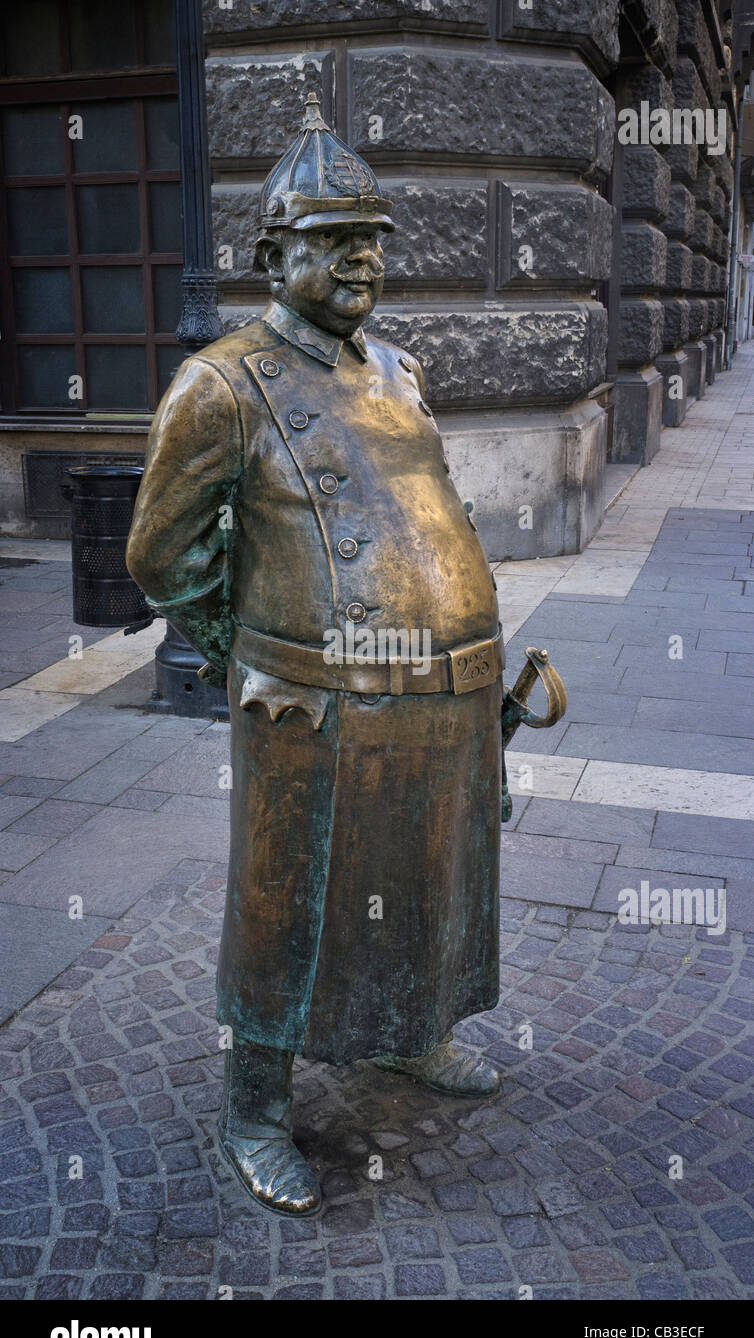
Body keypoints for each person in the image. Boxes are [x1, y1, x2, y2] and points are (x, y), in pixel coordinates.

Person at [127, 92, 505, 1217]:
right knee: (285, 908)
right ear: (270, 254)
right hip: (312, 705)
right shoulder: (222, 382)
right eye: (335, 242)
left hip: (443, 690)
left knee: (428, 873)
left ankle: (410, 1031)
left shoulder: (397, 368)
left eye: (371, 242)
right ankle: (254, 1105)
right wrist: (254, 651)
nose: (361, 262)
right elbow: (161, 553)